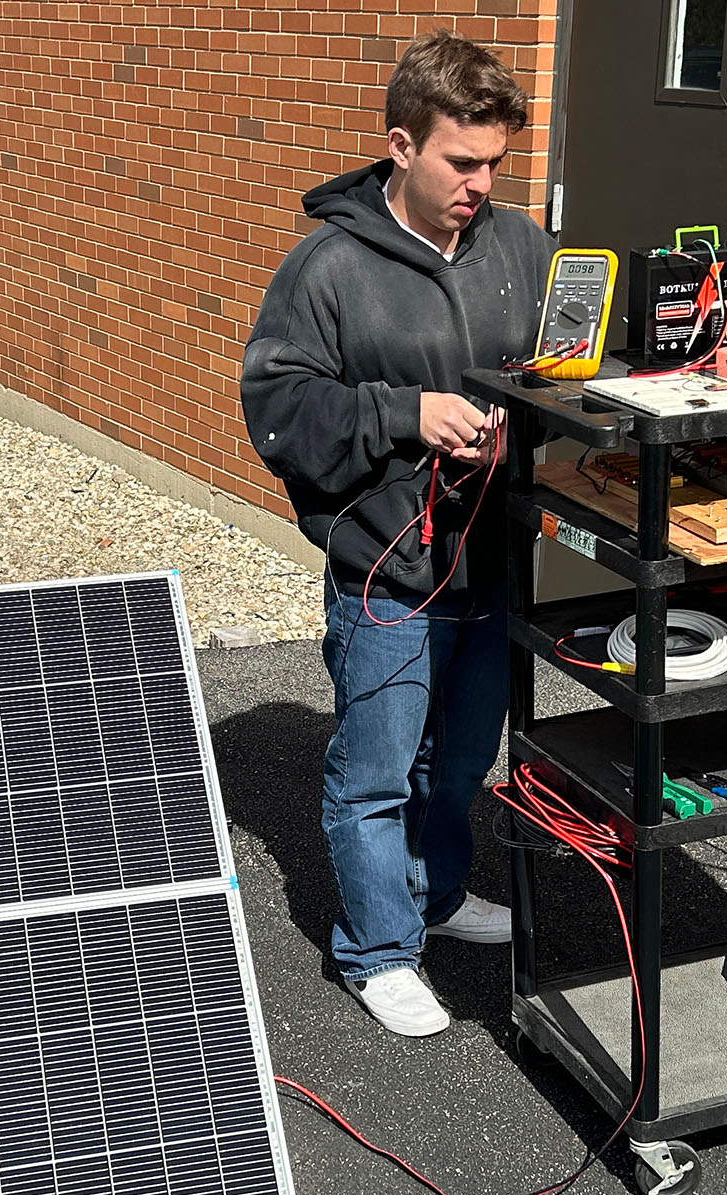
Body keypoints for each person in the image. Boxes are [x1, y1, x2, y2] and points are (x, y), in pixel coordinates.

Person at [239, 32, 555, 1038]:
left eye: (495, 163)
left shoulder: (522, 249)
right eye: (462, 162)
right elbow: (275, 409)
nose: (480, 183)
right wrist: (401, 415)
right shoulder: (326, 267)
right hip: (384, 566)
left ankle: (434, 893)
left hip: (490, 558)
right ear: (399, 145)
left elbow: (562, 374)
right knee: (375, 771)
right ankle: (376, 949)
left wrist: (526, 427)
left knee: (461, 760)